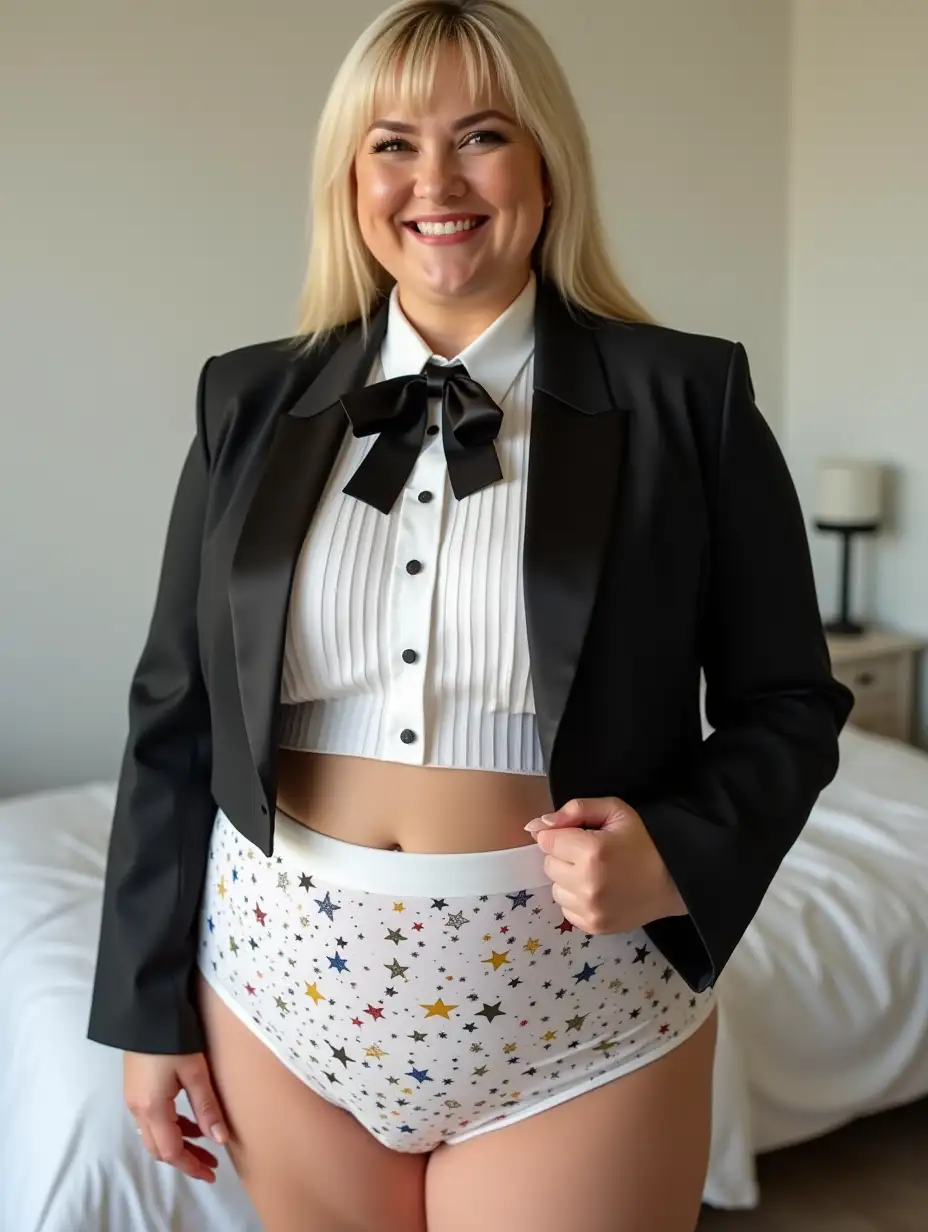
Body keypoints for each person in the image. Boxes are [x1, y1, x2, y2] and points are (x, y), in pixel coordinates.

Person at [87, 1, 854, 1229]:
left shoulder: (685, 396)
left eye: (480, 135)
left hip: (576, 1005)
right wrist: (142, 1007)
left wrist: (678, 846)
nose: (432, 180)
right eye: (391, 142)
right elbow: (173, 712)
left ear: (546, 162)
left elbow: (792, 704)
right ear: (349, 177)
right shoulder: (245, 398)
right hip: (277, 993)